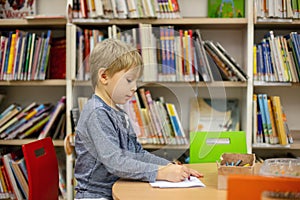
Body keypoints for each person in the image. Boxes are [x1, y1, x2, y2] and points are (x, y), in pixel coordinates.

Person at [74, 38, 203, 200]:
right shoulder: (96, 113)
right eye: (129, 80)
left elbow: (137, 153)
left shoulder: (118, 113)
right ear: (104, 76)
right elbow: (115, 162)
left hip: (115, 189)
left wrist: (169, 167)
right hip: (95, 196)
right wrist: (160, 173)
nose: (135, 87)